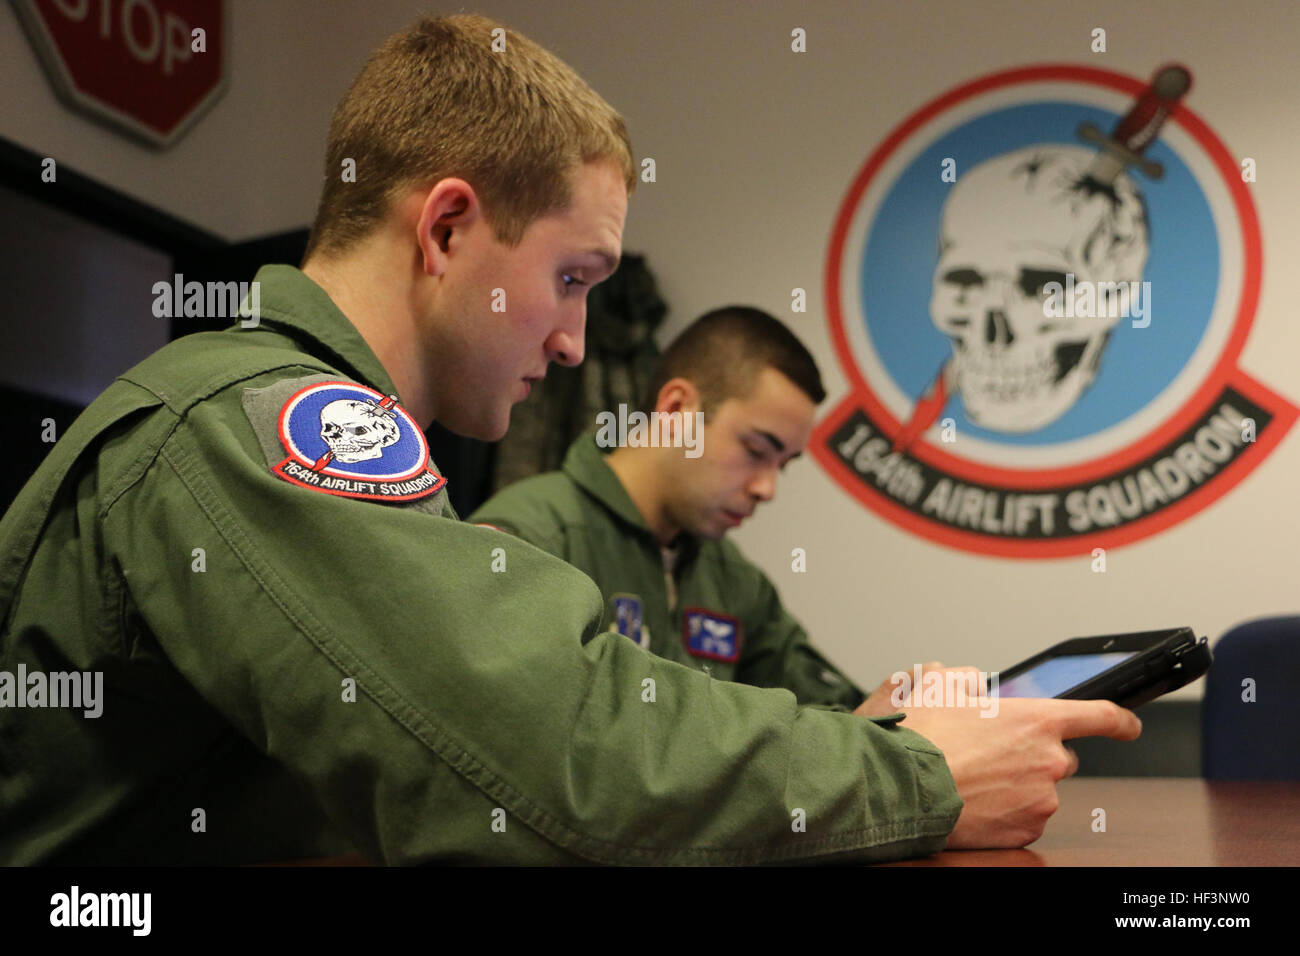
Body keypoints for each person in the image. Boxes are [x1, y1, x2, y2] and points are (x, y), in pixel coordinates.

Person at [0, 13, 1139, 865]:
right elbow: (550, 759)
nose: (573, 342)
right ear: (447, 226)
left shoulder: (296, 415)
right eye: (571, 277)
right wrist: (921, 775)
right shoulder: (261, 420)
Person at [471, 306, 919, 714]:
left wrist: (893, 720)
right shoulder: (532, 539)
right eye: (757, 450)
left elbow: (826, 711)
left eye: (784, 465)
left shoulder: (734, 580)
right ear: (677, 410)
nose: (768, 489)